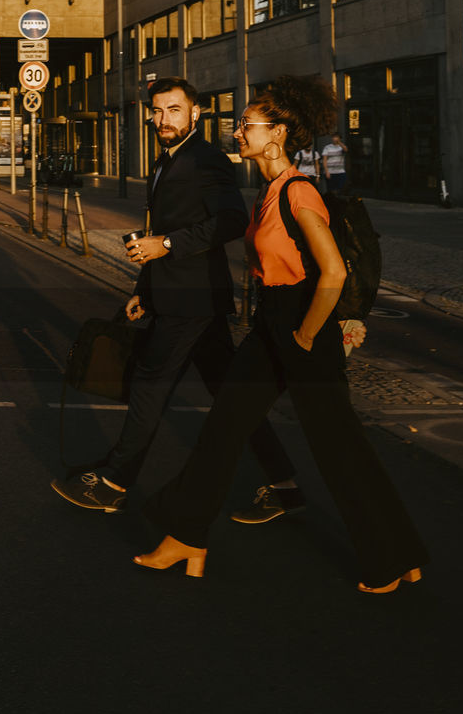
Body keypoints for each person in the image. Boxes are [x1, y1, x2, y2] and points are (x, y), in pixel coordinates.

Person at [132, 74, 428, 594]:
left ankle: (392, 557)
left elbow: (332, 273)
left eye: (248, 124)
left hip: (301, 327)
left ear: (278, 134)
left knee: (340, 449)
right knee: (223, 429)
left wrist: (308, 336)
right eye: (241, 123)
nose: (239, 132)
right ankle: (186, 536)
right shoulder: (267, 191)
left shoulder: (298, 191)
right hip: (273, 324)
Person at [50, 76, 295, 514]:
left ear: (195, 113)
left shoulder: (205, 160)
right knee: (232, 397)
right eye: (158, 110)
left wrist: (164, 245)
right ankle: (285, 485)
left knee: (148, 386)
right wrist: (143, 287)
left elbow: (230, 220)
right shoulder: (165, 160)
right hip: (182, 295)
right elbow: (161, 229)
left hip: (191, 298)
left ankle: (113, 483)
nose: (163, 119)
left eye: (174, 110)